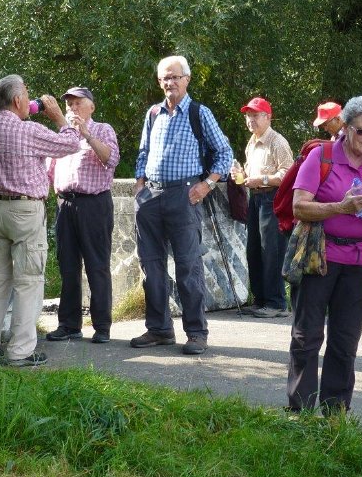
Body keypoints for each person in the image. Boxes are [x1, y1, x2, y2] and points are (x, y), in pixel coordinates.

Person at [287, 96, 362, 414]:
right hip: (319, 257)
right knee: (307, 335)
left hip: (359, 262)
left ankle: (335, 412)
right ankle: (300, 410)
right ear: (345, 128)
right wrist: (341, 207)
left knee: (346, 340)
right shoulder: (322, 156)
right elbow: (299, 206)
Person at [0, 74, 81, 367]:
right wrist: (58, 116)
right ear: (19, 100)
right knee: (28, 281)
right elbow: (70, 144)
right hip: (25, 211)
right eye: (27, 93)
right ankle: (20, 352)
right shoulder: (28, 131)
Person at [132, 55, 233, 355]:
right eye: (165, 77)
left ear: (187, 79)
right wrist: (139, 185)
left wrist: (207, 184)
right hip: (150, 196)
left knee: (188, 266)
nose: (169, 82)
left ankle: (196, 333)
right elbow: (143, 152)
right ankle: (160, 329)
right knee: (151, 266)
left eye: (175, 76)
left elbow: (224, 153)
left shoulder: (200, 113)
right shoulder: (153, 113)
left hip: (184, 195)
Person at [45, 87, 120, 345]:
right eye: (69, 105)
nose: (73, 108)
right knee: (67, 266)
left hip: (94, 204)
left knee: (97, 266)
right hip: (65, 204)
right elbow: (49, 171)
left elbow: (111, 160)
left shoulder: (103, 129)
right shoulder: (62, 135)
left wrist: (87, 135)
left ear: (91, 107)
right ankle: (69, 324)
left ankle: (101, 327)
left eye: (78, 103)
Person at [230, 97, 293, 318]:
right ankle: (260, 299)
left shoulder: (277, 142)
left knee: (272, 251)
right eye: (248, 115)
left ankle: (276, 303)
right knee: (254, 250)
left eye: (255, 115)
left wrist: (261, 180)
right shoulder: (251, 142)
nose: (251, 120)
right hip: (255, 199)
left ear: (268, 117)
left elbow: (287, 174)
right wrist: (240, 175)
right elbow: (249, 175)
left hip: (272, 198)